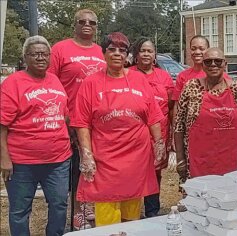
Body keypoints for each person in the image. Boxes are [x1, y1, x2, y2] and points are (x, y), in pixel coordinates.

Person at [71, 32, 165, 227]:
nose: (117, 54)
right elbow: (82, 123)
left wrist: (159, 144)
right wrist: (87, 155)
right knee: (107, 216)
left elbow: (154, 117)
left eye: (122, 50)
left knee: (131, 216)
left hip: (136, 159)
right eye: (111, 49)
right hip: (105, 159)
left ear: (127, 55)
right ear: (104, 53)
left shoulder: (139, 80)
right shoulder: (91, 83)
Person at [1, 36, 71, 236]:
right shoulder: (12, 83)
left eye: (44, 54)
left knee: (59, 205)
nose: (40, 58)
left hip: (58, 160)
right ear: (25, 58)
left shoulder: (54, 79)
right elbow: (2, 124)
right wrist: (4, 158)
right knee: (20, 211)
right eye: (35, 54)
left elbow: (63, 113)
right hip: (23, 162)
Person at [47, 8, 106, 230]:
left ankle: (89, 206)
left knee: (94, 167)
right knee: (74, 171)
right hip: (69, 121)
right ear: (75, 25)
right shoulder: (60, 49)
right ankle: (77, 212)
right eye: (82, 21)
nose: (87, 25)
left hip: (98, 122)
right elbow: (50, 84)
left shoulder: (102, 52)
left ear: (97, 27)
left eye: (92, 22)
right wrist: (64, 117)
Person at [174, 47, 237, 182]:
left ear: (225, 64)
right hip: (197, 163)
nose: (213, 64)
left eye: (218, 61)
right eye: (208, 62)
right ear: (203, 65)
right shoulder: (191, 87)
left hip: (230, 162)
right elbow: (179, 125)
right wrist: (180, 159)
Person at [128, 37, 174, 218]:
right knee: (133, 174)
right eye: (143, 51)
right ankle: (130, 213)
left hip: (159, 135)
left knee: (155, 175)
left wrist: (169, 139)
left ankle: (152, 212)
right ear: (136, 54)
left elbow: (171, 107)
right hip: (134, 136)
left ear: (155, 55)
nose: (146, 54)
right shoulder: (128, 73)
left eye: (150, 51)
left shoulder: (163, 76)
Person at [171, 36, 230, 133]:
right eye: (193, 49)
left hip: (216, 129)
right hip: (191, 131)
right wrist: (175, 133)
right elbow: (177, 107)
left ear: (208, 51)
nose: (197, 52)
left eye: (201, 49)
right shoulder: (182, 76)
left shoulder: (223, 77)